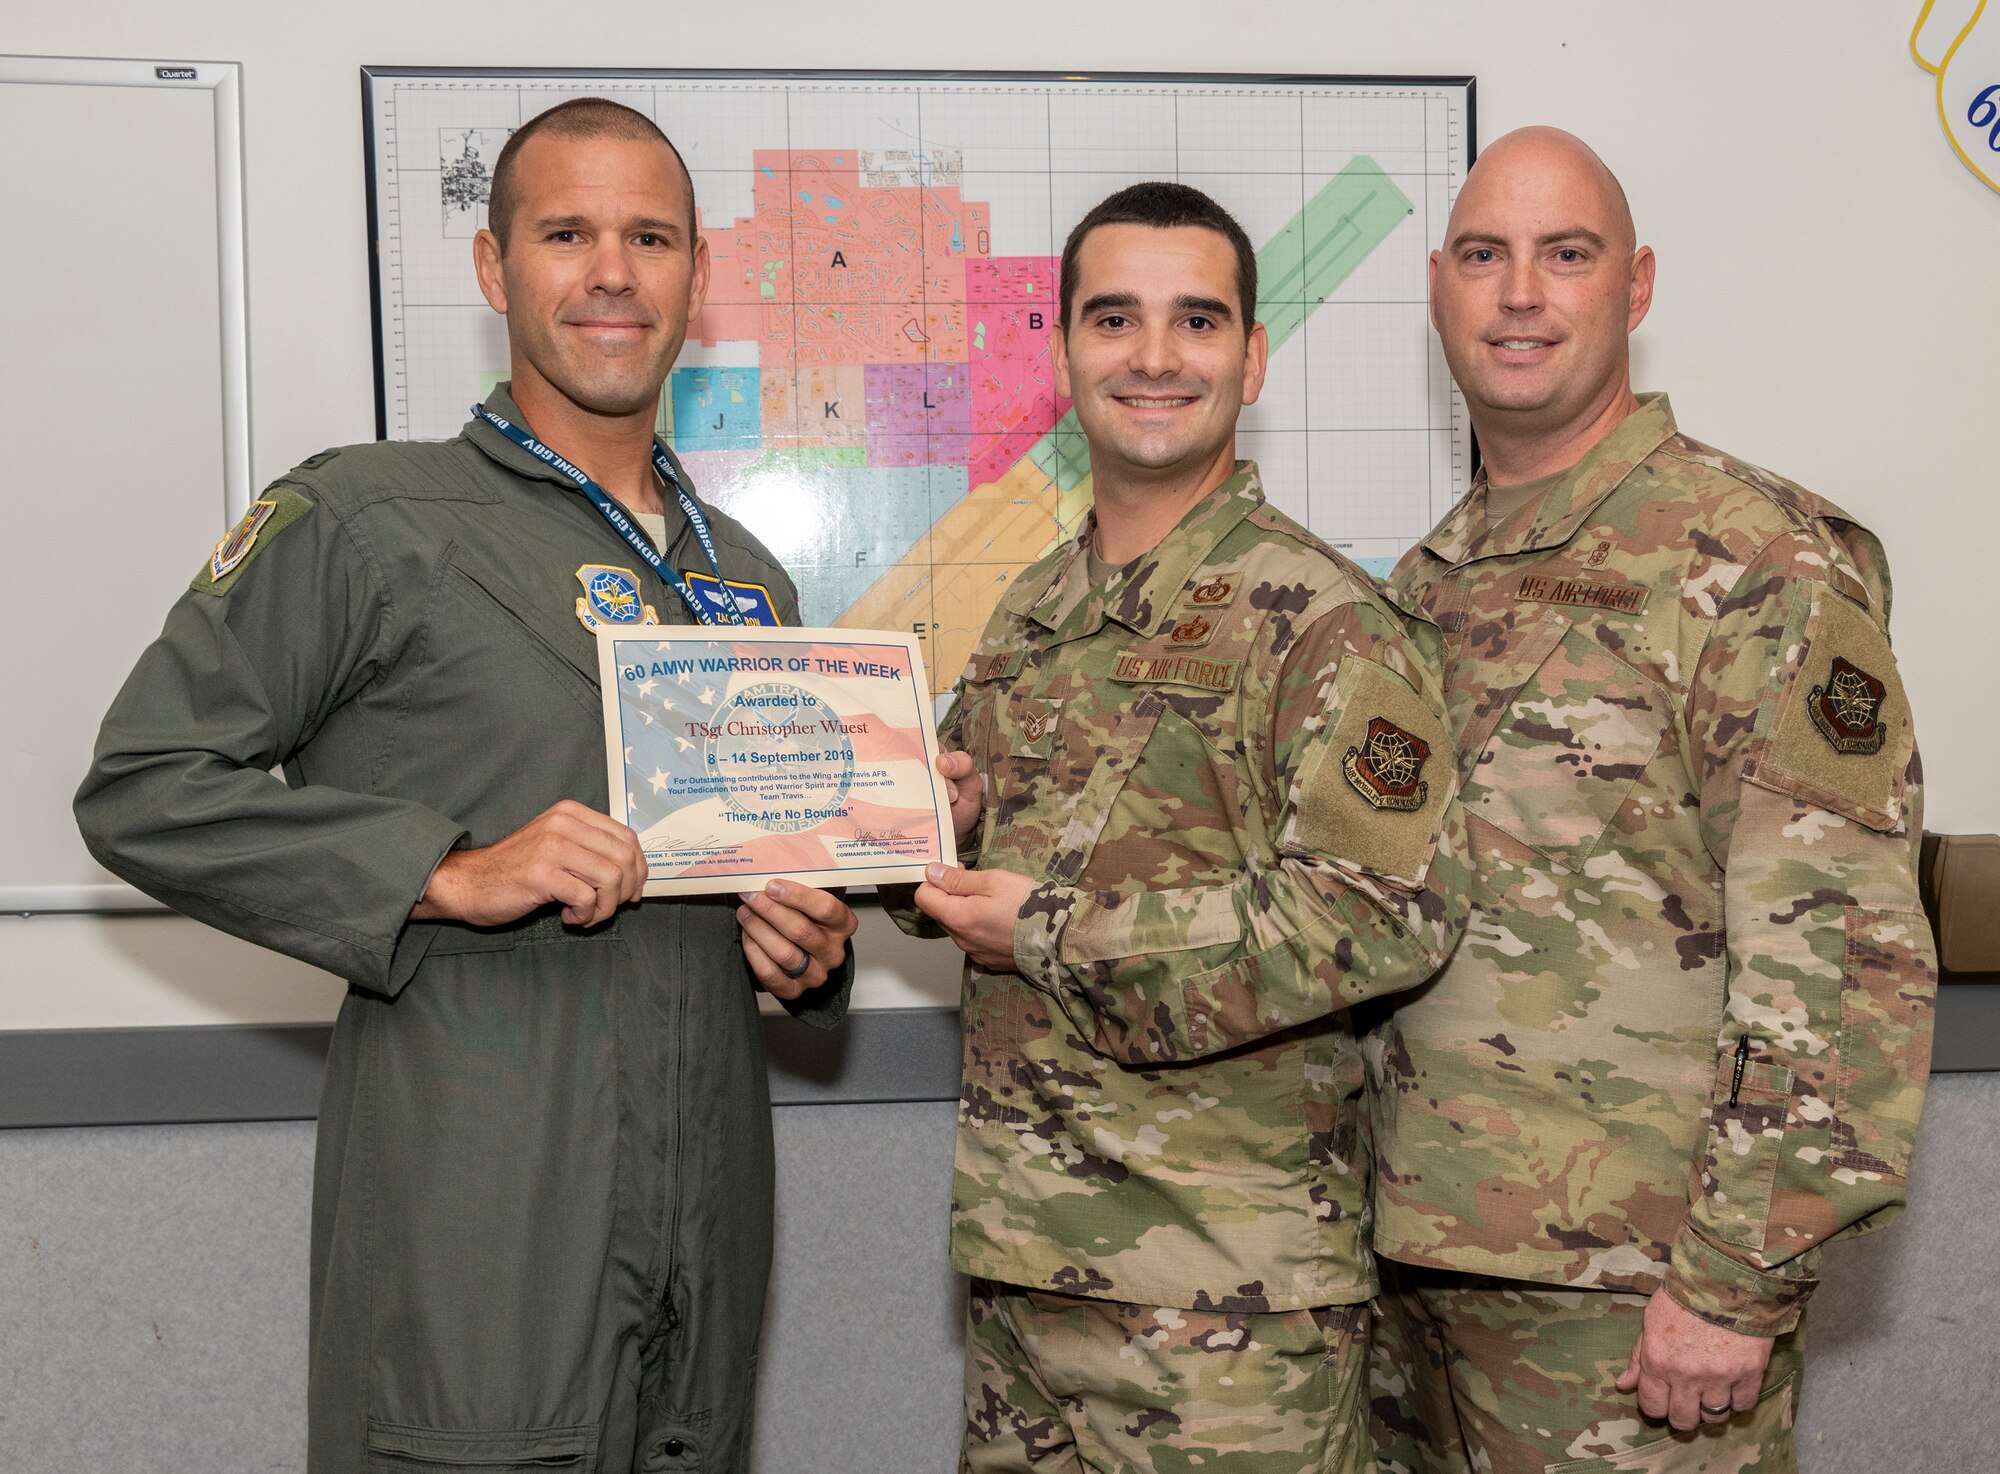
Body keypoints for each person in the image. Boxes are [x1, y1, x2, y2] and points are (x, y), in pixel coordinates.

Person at [74, 98, 856, 1474]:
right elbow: (144, 783)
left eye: (650, 236)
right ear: (496, 271)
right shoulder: (369, 519)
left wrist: (805, 949)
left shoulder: (747, 580)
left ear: (698, 277)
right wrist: (442, 869)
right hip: (480, 1240)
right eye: (567, 232)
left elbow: (759, 888)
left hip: (703, 1252)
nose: (612, 270)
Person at [1365, 127, 1937, 1474]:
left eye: (1567, 255)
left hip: (1638, 1302)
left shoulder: (1753, 558)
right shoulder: (1427, 580)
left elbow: (1841, 946)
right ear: (1441, 289)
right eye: (1484, 255)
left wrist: (1738, 1273)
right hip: (1421, 1273)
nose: (1521, 294)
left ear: (1637, 286)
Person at [900, 181, 1469, 1472]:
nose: (1154, 357)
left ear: (1253, 355)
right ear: (1061, 353)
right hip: (1026, 1281)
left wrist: (1045, 924)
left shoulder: (1325, 621)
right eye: (1115, 319)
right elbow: (955, 847)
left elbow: (1381, 914)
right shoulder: (1032, 615)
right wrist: (920, 832)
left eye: (1197, 321)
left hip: (1229, 1312)